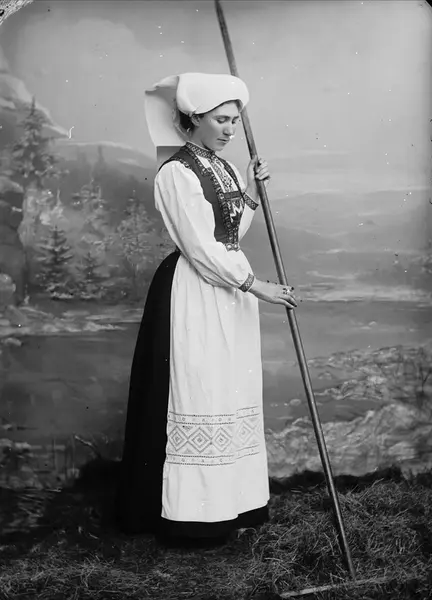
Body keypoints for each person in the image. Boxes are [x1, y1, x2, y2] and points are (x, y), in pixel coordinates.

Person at [115, 72, 297, 547]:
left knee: (228, 390)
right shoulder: (175, 173)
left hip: (230, 290)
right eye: (221, 120)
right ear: (193, 119)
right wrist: (257, 286)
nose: (230, 129)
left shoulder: (227, 168)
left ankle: (230, 504)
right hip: (195, 291)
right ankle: (192, 517)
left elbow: (231, 234)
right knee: (199, 391)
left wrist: (250, 191)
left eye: (235, 120)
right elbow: (200, 248)